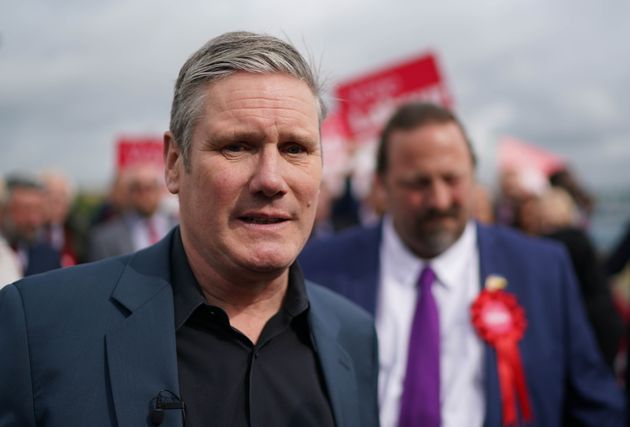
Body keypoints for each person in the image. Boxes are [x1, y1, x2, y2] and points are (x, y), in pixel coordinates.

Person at [0, 31, 379, 427]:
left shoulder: (354, 336)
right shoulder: (39, 327)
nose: (271, 179)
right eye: (237, 146)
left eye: (295, 149)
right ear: (175, 163)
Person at [300, 102, 625, 427]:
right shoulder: (319, 269)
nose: (439, 200)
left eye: (451, 179)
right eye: (418, 183)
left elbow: (594, 402)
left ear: (473, 173)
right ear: (382, 185)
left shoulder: (542, 269)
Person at [87, 164, 178, 261]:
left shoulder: (179, 228)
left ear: (160, 190)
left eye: (149, 188)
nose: (144, 194)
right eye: (137, 188)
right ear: (128, 192)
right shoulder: (105, 238)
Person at [1, 174, 61, 276]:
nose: (33, 220)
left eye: (38, 210)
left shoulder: (48, 256)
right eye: (25, 210)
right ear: (4, 210)